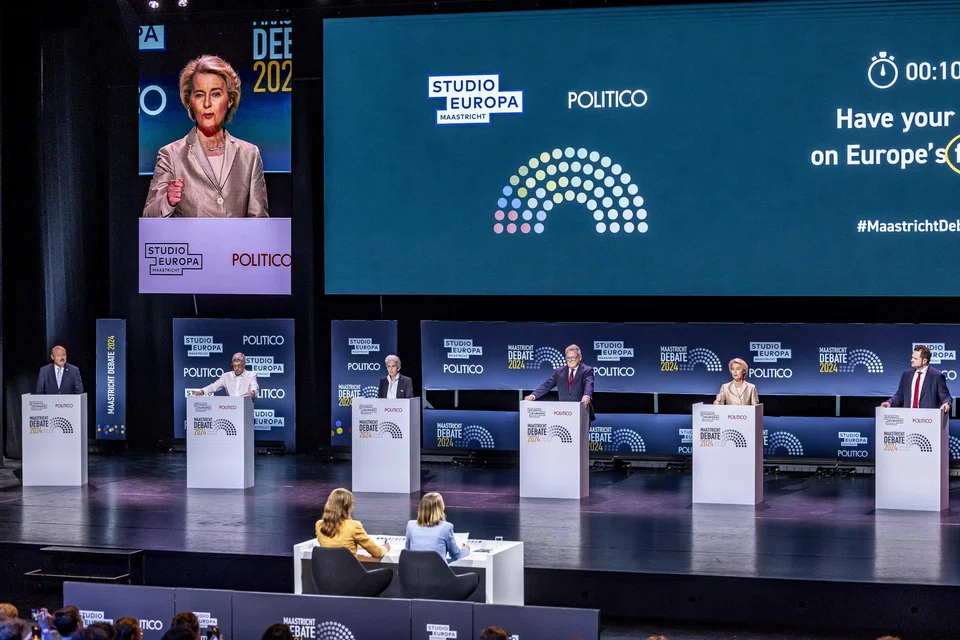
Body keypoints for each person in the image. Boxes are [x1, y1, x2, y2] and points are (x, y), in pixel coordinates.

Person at [143, 55, 268, 218]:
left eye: (215, 94)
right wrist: (168, 201)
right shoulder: (171, 155)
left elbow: (259, 220)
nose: (207, 103)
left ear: (230, 99)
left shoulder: (249, 155)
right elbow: (148, 217)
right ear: (190, 101)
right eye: (199, 95)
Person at [524, 344, 595, 421]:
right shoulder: (559, 372)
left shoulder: (587, 370)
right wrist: (533, 396)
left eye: (573, 357)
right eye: (568, 358)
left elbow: (589, 385)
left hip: (582, 412)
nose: (570, 360)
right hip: (563, 413)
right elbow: (547, 385)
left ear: (580, 357)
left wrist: (586, 396)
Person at [315, 488, 389, 558]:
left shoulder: (319, 525)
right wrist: (386, 547)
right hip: (348, 567)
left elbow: (335, 544)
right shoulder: (354, 526)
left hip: (326, 567)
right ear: (348, 506)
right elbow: (377, 553)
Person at [881, 345, 952, 413]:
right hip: (908, 417)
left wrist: (946, 404)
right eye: (912, 357)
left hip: (928, 418)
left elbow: (946, 396)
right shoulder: (906, 375)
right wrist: (890, 402)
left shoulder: (937, 376)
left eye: (915, 358)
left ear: (924, 361)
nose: (911, 360)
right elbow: (900, 395)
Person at [405, 492, 470, 563]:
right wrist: (466, 550)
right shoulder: (446, 527)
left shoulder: (411, 525)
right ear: (440, 508)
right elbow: (455, 555)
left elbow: (408, 551)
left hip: (414, 569)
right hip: (437, 570)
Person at [193, 352, 258, 398]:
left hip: (246, 406)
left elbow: (254, 385)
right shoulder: (226, 376)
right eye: (235, 366)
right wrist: (202, 391)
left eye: (239, 365)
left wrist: (253, 391)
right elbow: (214, 386)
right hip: (231, 407)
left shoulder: (251, 375)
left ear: (244, 364)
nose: (237, 368)